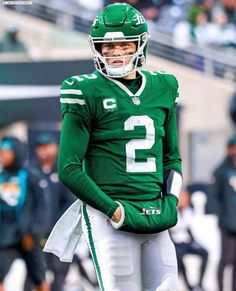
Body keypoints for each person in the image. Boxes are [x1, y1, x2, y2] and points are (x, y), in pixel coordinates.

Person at [57, 3, 182, 290]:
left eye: (123, 45)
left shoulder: (164, 85)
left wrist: (171, 202)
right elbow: (68, 168)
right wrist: (113, 210)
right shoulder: (85, 90)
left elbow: (172, 157)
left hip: (154, 212)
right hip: (110, 216)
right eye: (106, 46)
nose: (114, 53)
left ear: (140, 44)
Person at [24, 133, 75, 291]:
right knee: (34, 271)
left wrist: (60, 225)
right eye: (40, 147)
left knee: (59, 270)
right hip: (36, 230)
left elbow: (69, 201)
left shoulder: (64, 169)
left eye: (47, 146)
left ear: (56, 147)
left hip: (58, 230)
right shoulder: (30, 171)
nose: (44, 151)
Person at [0, 136, 49, 291]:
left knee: (38, 276)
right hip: (5, 236)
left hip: (28, 235)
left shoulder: (30, 176)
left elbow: (42, 206)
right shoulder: (1, 177)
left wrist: (35, 232)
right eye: (2, 152)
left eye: (8, 152)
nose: (4, 155)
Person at [208, 134, 236, 291]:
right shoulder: (221, 171)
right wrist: (221, 217)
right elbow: (213, 197)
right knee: (226, 258)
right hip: (227, 224)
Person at [170, 190, 208, 291]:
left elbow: (189, 229)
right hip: (175, 243)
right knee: (179, 256)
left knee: (205, 252)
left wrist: (196, 243)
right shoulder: (171, 212)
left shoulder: (188, 211)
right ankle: (188, 285)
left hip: (186, 242)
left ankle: (199, 284)